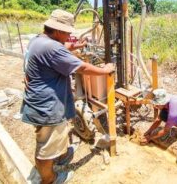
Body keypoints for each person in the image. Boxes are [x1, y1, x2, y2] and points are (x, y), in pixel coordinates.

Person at [21, 9, 114, 184]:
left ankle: (61, 156)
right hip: (47, 107)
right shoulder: (52, 47)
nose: (69, 36)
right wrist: (104, 70)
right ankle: (50, 179)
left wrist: (77, 46)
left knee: (57, 136)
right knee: (45, 149)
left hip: (41, 101)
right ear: (58, 31)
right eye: (67, 33)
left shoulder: (39, 40)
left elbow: (63, 47)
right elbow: (82, 68)